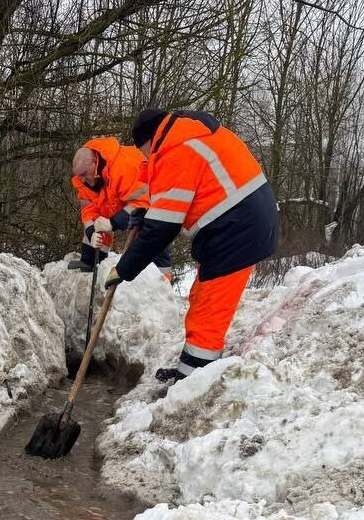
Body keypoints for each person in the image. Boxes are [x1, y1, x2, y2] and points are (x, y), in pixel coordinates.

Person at [105, 109, 279, 382]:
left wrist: (124, 268)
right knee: (200, 298)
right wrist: (146, 212)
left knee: (208, 314)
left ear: (149, 140)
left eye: (145, 153)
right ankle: (190, 372)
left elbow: (161, 229)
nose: (147, 160)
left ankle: (191, 383)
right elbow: (173, 195)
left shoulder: (176, 151)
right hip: (234, 225)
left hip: (236, 230)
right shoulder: (187, 138)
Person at [68, 137, 172, 277]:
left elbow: (142, 204)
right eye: (79, 175)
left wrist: (113, 223)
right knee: (98, 222)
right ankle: (91, 262)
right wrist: (92, 232)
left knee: (151, 230)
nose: (82, 180)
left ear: (94, 162)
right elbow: (88, 210)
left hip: (155, 200)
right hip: (129, 200)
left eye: (84, 174)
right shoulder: (85, 179)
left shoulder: (123, 167)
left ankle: (160, 280)